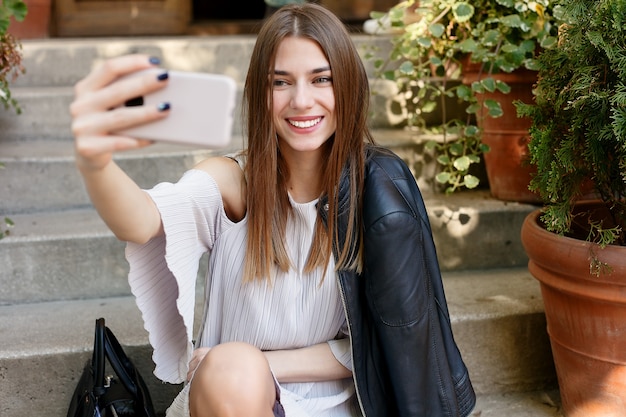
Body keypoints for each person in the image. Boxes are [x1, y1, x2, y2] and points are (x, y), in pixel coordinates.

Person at [70, 3, 475, 417]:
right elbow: (142, 221)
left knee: (233, 364)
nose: (302, 101)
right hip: (231, 399)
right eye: (280, 82)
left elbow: (389, 345)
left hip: (341, 405)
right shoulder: (234, 183)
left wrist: (261, 362)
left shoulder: (377, 190)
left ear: (348, 87)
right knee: (232, 372)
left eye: (322, 79)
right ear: (261, 94)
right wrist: (95, 162)